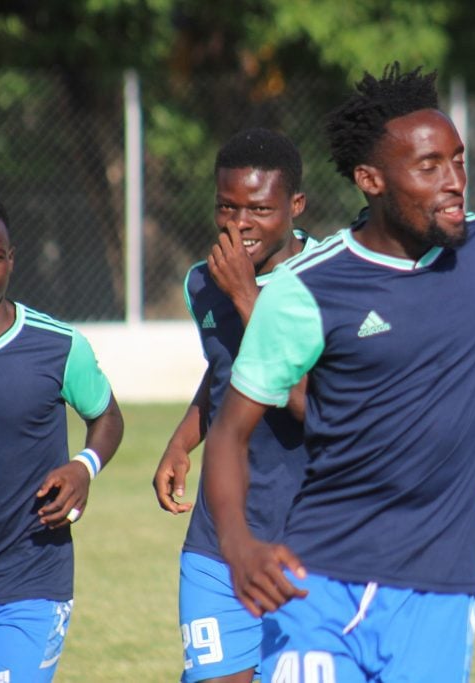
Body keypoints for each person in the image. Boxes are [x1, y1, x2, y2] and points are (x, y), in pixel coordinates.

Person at [201, 63, 475, 682]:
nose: (454, 184)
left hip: (439, 591)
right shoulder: (305, 290)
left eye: (458, 161)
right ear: (371, 180)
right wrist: (236, 544)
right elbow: (229, 431)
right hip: (319, 583)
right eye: (428, 167)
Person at [151, 128, 310, 683]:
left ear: (296, 206)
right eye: (226, 206)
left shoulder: (332, 280)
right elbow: (224, 369)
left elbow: (320, 409)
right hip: (217, 543)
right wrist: (181, 439)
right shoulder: (204, 282)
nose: (238, 225)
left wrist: (249, 299)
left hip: (309, 546)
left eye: (259, 210)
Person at [0, 189, 124, 682]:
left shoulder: (58, 345)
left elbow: (107, 416)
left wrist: (83, 466)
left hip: (30, 580)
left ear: (11, 260)